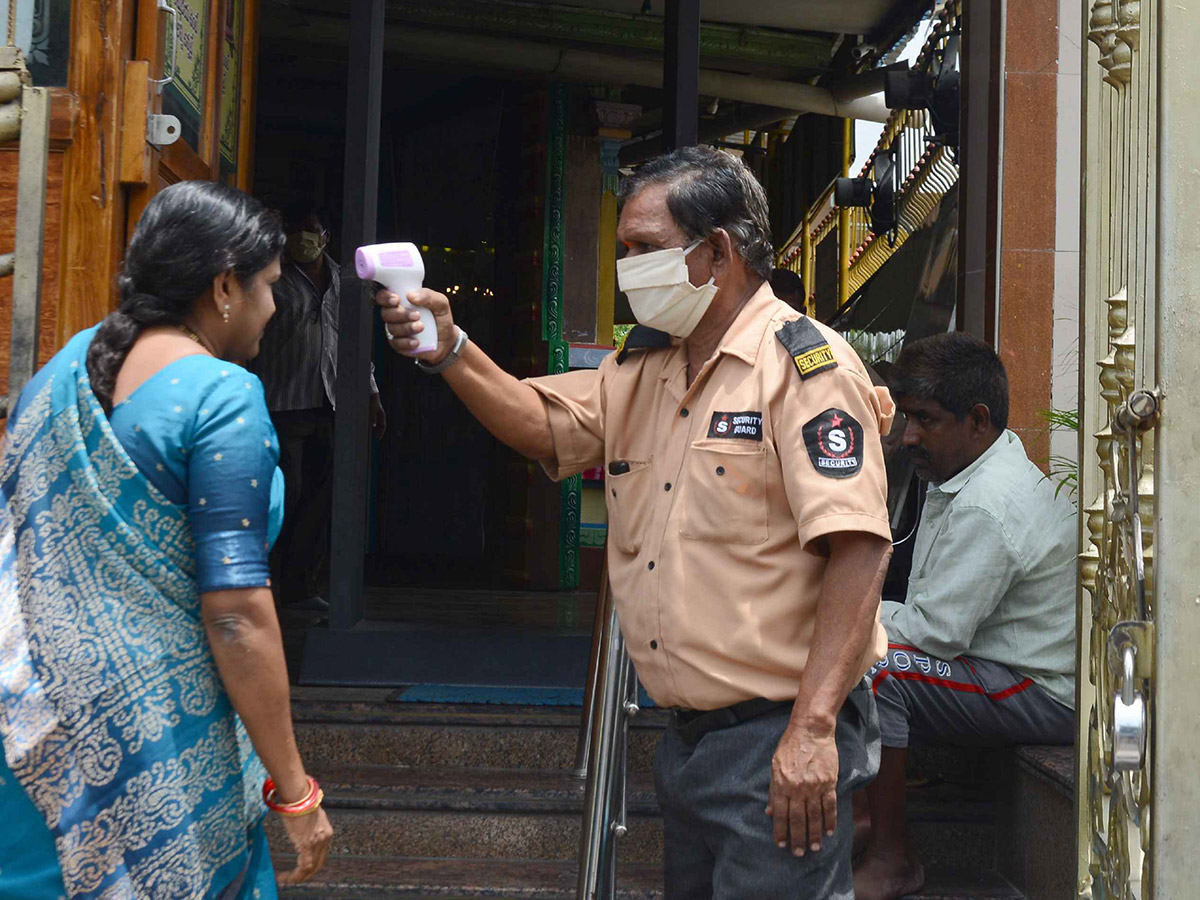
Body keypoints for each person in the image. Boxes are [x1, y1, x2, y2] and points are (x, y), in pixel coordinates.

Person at [378, 146, 895, 898]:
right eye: (623, 250)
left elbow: (859, 549)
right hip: (689, 741)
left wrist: (813, 730)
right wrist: (450, 349)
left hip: (780, 733)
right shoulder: (645, 366)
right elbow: (542, 424)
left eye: (644, 249)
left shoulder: (805, 368)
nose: (627, 268)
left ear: (717, 252)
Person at [0, 182, 332, 898]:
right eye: (269, 286)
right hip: (154, 752)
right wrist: (296, 792)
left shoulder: (57, 376)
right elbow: (237, 615)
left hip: (30, 731)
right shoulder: (220, 396)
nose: (274, 308)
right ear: (223, 287)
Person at [853, 332, 1077, 900]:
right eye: (907, 419)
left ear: (977, 421)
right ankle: (862, 815)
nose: (909, 437)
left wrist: (843, 619)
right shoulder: (962, 474)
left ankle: (891, 855)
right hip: (996, 669)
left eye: (924, 420)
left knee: (876, 667)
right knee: (859, 646)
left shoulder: (988, 503)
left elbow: (935, 633)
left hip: (1040, 691)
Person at [247, 199, 386, 611]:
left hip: (332, 403)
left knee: (321, 502)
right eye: (298, 230)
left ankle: (300, 586)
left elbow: (356, 344)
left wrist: (373, 394)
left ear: (326, 236)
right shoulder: (272, 276)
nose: (304, 239)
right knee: (283, 497)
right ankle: (264, 584)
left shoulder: (346, 282)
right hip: (282, 402)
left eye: (313, 231)